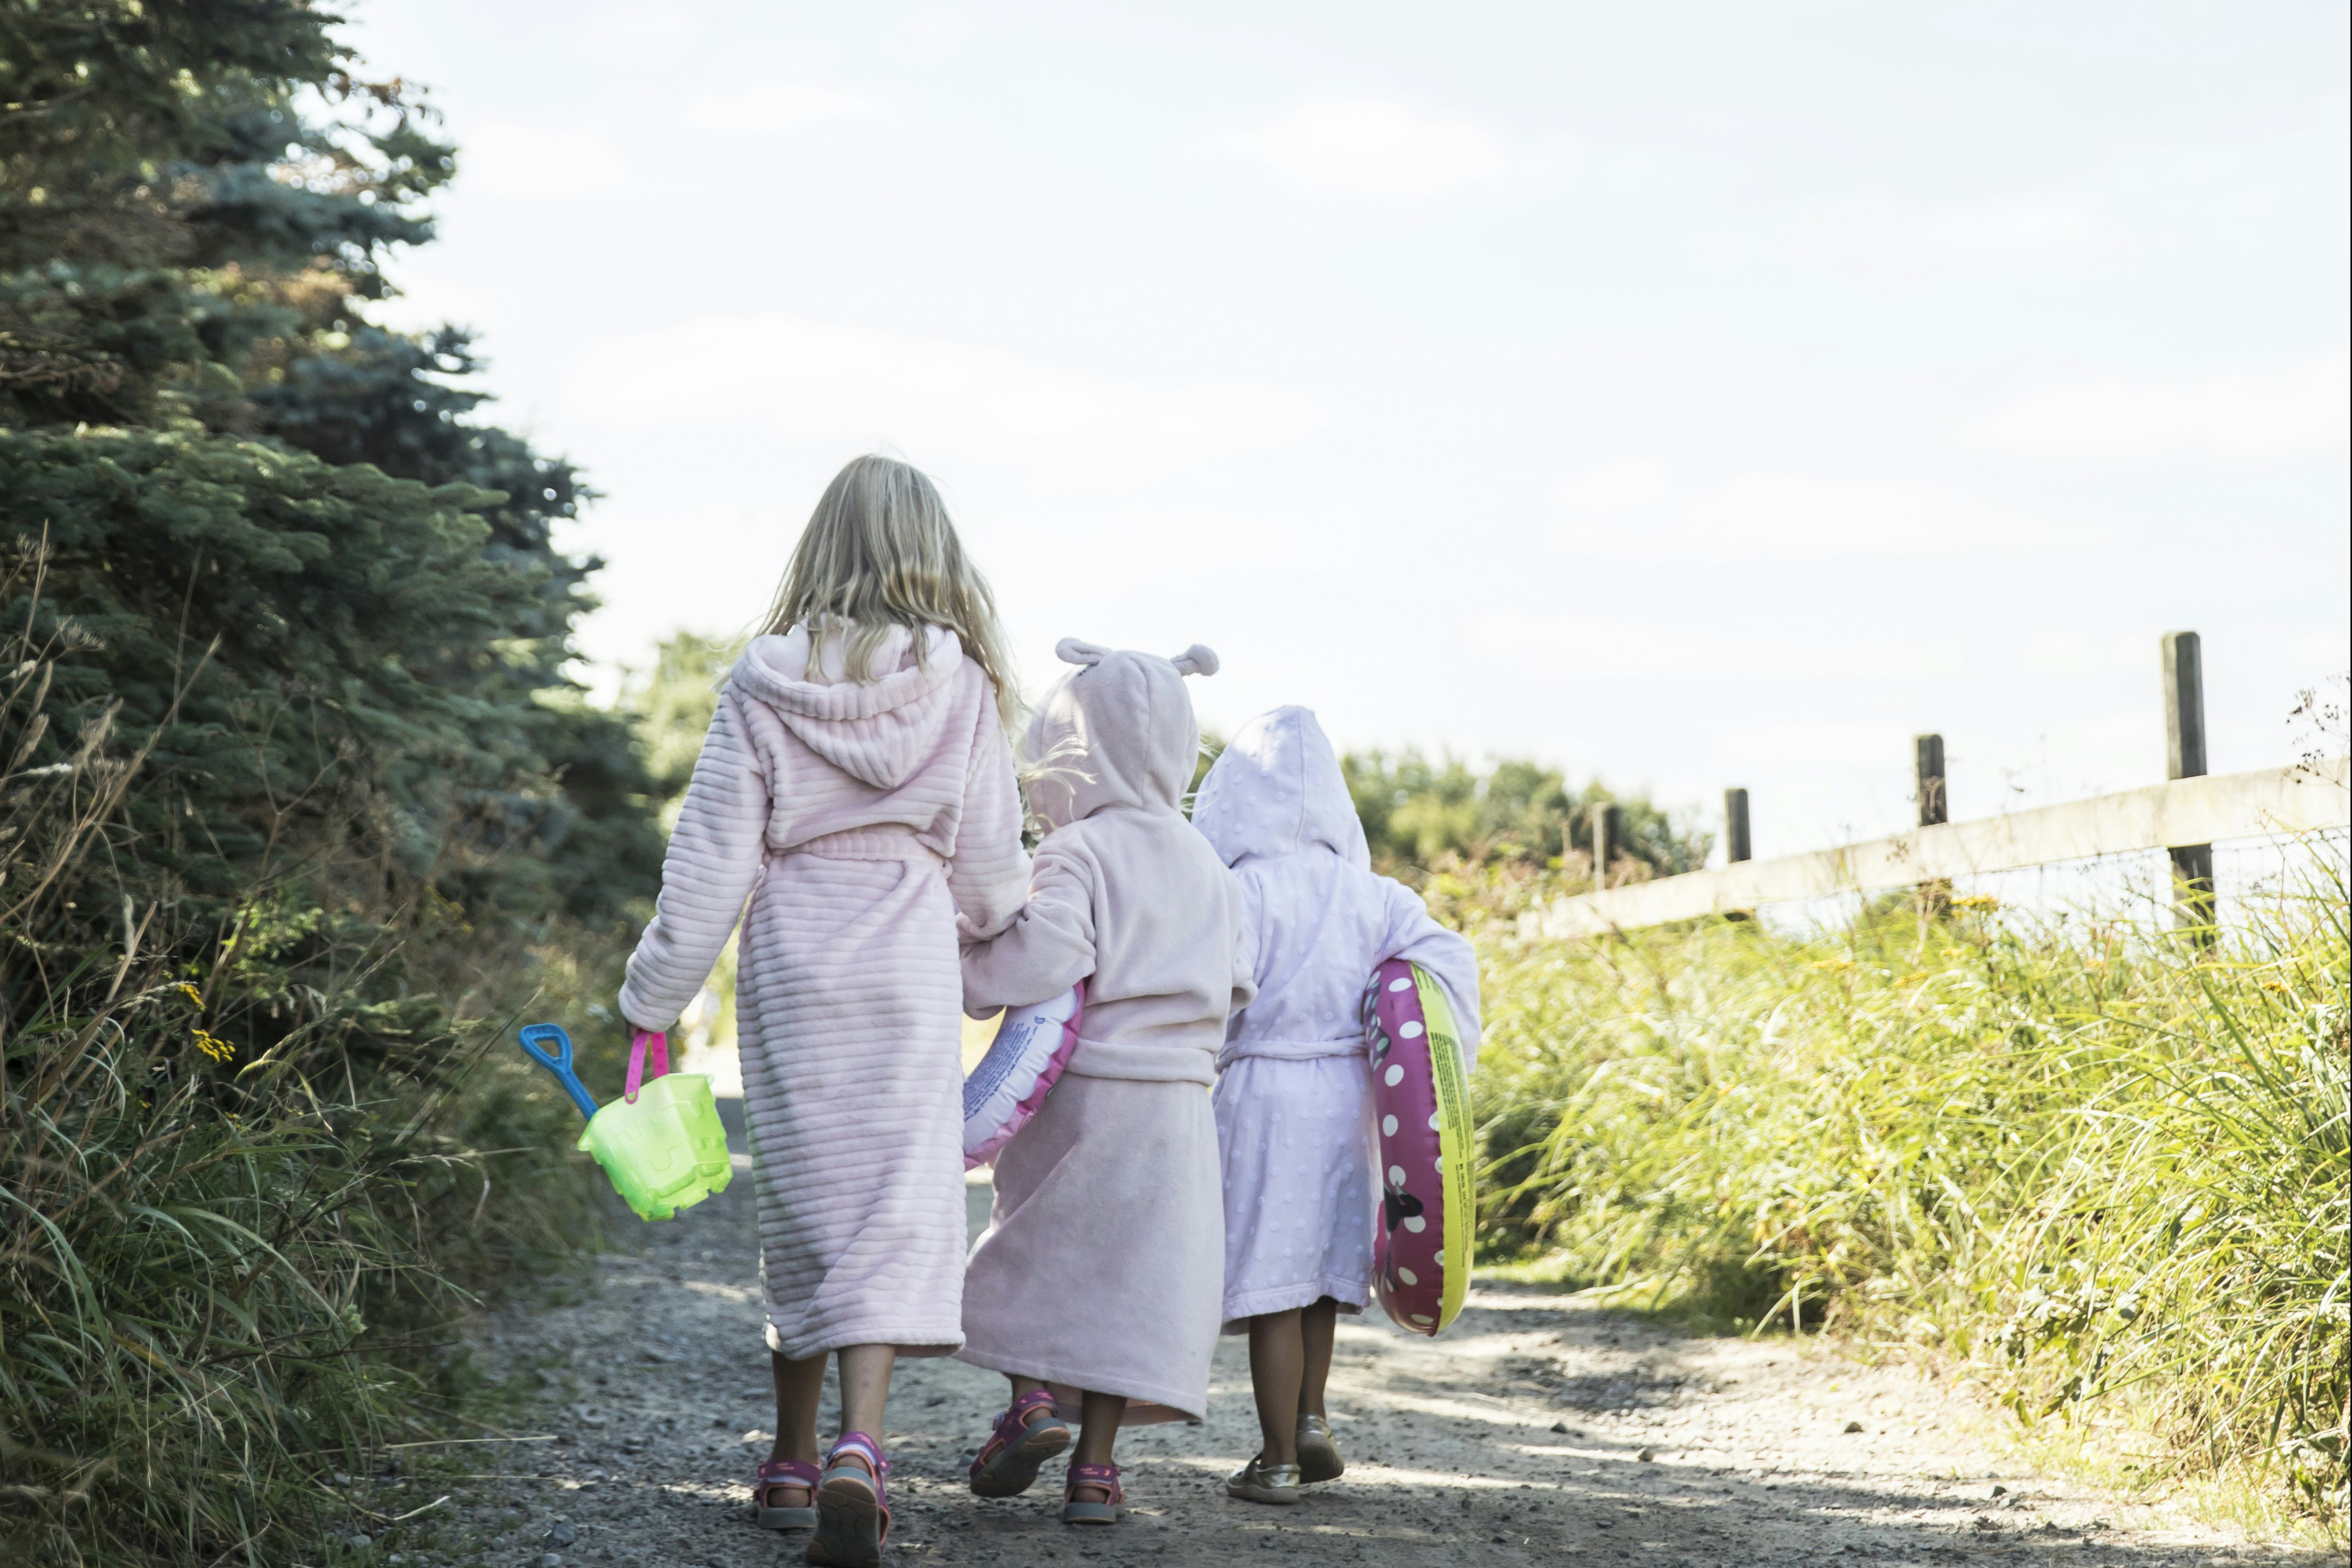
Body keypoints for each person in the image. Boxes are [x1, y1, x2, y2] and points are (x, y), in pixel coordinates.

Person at [616, 456, 1030, 1568]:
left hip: (796, 956)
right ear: (933, 554)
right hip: (906, 959)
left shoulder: (759, 687)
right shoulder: (966, 690)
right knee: (895, 1200)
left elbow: (704, 870)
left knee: (805, 1204)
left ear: (818, 547)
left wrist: (649, 1002)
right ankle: (862, 1447)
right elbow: (991, 879)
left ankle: (791, 1460)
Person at [956, 639, 1253, 1527]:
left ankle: (1032, 1401)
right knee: (1133, 1280)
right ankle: (1095, 1472)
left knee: (1035, 1246)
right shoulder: (1209, 864)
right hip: (1179, 1105)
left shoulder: (1080, 850)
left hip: (1087, 1092)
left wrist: (970, 962)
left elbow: (1047, 955)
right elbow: (1239, 985)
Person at [1189, 705, 1483, 1504]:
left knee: (1268, 1285)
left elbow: (1210, 993)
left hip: (1260, 1096)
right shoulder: (1375, 895)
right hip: (1351, 1100)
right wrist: (1435, 1076)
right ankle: (1313, 1417)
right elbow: (1448, 962)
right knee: (1319, 1276)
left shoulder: (1235, 890)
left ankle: (1276, 1458)